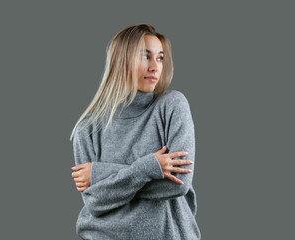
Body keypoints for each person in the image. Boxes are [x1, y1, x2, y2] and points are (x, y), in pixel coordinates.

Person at [69, 23, 201, 240]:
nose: (155, 67)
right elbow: (95, 202)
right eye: (145, 56)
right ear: (122, 60)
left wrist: (100, 174)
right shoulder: (88, 127)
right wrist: (151, 167)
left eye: (159, 58)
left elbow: (178, 184)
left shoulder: (172, 105)